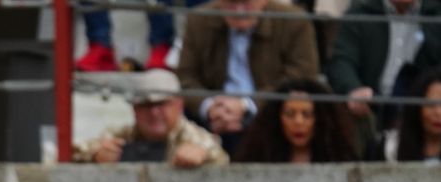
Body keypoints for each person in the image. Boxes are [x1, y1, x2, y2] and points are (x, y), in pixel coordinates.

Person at [176, 0, 321, 152]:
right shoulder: (199, 19)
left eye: (246, 3)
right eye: (232, 4)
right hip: (214, 118)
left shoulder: (294, 21)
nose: (239, 11)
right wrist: (208, 107)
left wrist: (249, 106)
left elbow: (303, 76)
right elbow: (185, 76)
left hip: (272, 116)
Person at [324, 0, 441, 151]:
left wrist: (432, 96)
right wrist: (353, 88)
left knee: (438, 113)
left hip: (421, 105)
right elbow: (341, 61)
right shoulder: (361, 13)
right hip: (372, 106)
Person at [74, 68, 229, 166]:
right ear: (134, 109)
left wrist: (204, 158)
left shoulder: (195, 138)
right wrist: (95, 154)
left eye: (162, 104)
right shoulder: (119, 137)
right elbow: (72, 152)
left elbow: (221, 159)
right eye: (146, 105)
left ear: (179, 105)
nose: (154, 113)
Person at [234, 78, 357, 162]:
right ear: (277, 118)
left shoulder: (338, 158)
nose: (298, 122)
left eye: (307, 114)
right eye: (290, 114)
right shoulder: (260, 157)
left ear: (321, 119)